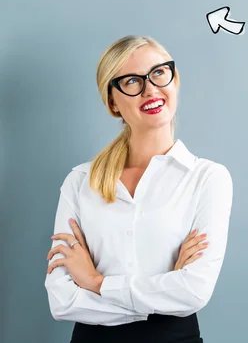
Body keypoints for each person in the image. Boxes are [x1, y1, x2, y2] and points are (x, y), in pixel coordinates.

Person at [44, 35, 233, 343]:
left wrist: (94, 282)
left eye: (159, 73)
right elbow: (62, 300)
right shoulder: (80, 182)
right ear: (112, 102)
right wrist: (163, 291)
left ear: (175, 80)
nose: (150, 89)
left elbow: (194, 292)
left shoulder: (208, 178)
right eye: (132, 81)